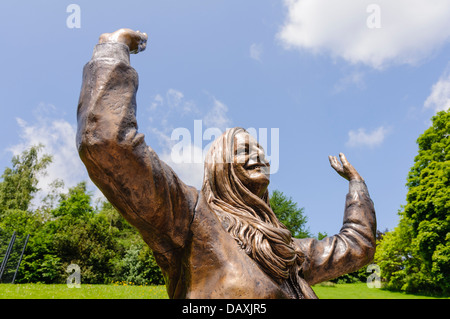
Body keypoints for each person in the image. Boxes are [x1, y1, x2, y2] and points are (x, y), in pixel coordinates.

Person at [77, 28, 376, 299]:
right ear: (221, 165)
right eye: (245, 149)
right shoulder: (192, 218)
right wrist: (113, 49)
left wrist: (356, 185)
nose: (259, 155)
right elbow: (107, 144)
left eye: (260, 150)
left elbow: (356, 247)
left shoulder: (287, 251)